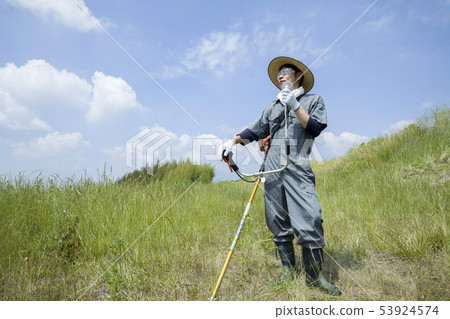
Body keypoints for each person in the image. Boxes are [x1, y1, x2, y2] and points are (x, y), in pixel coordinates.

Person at [222, 56, 341, 296]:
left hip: (297, 167)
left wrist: (296, 106)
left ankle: (315, 277)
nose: (280, 75)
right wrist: (233, 141)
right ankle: (288, 271)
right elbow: (255, 131)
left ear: (298, 76)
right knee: (277, 221)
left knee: (311, 217)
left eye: (286, 71)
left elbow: (315, 128)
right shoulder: (272, 107)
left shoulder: (312, 100)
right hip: (272, 171)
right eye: (279, 73)